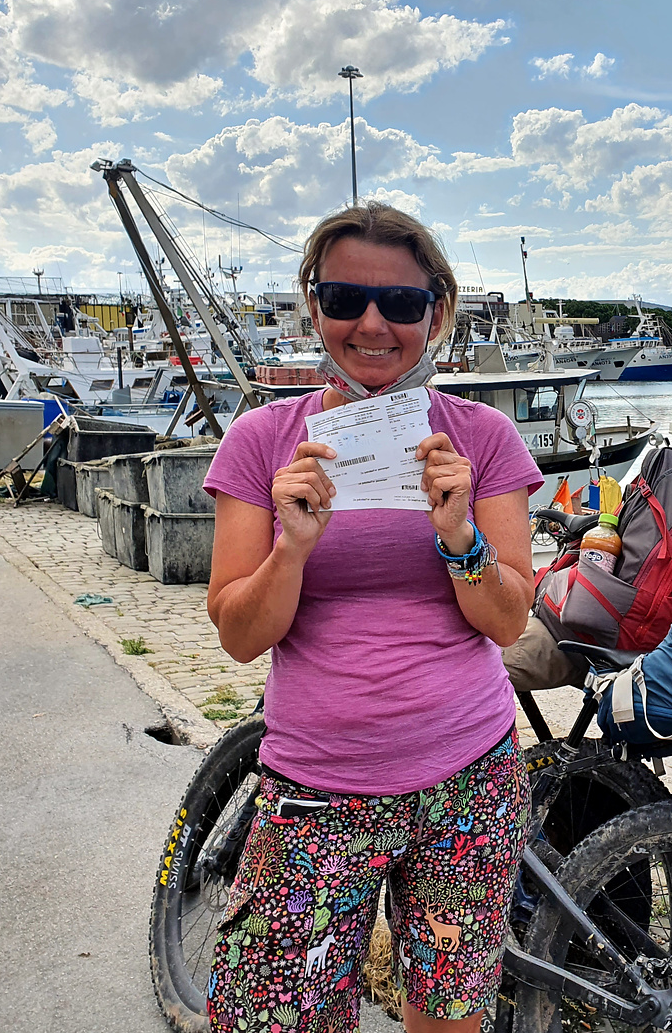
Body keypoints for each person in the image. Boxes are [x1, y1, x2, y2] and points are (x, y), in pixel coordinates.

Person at [201, 202, 543, 1033]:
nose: (372, 324)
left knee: (449, 1017)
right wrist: (292, 548)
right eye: (346, 297)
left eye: (401, 305)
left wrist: (459, 535)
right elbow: (242, 637)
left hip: (468, 779)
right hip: (316, 789)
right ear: (313, 305)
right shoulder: (261, 441)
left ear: (436, 312)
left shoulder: (482, 438)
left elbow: (505, 621)